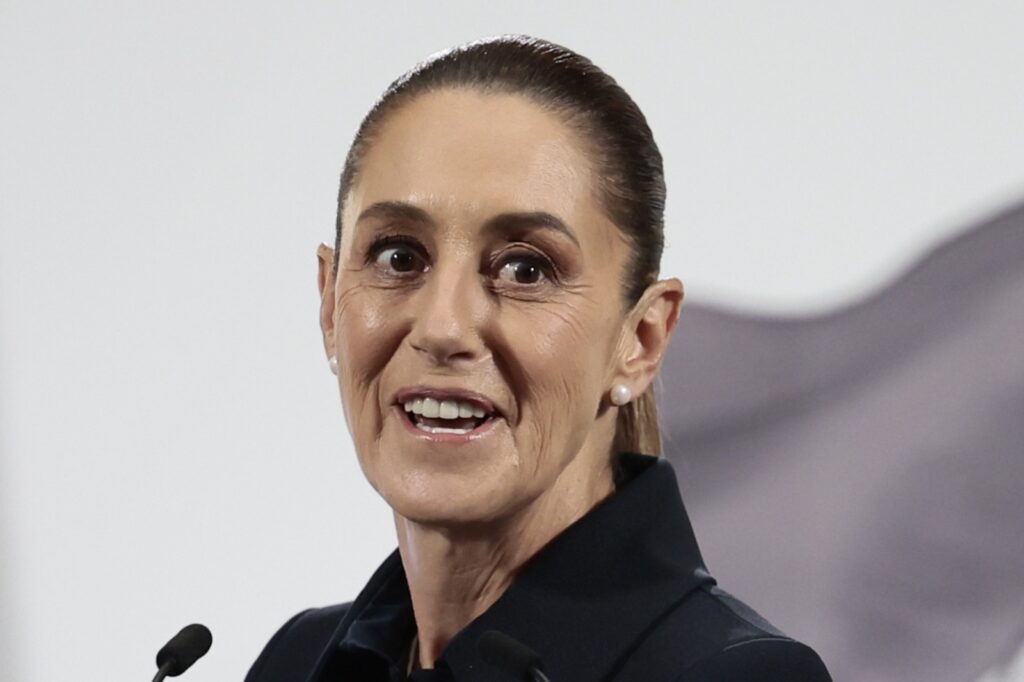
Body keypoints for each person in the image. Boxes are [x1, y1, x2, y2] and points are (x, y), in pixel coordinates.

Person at [245, 34, 832, 681]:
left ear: (640, 340)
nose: (443, 327)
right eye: (399, 257)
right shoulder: (296, 663)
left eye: (525, 269)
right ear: (330, 303)